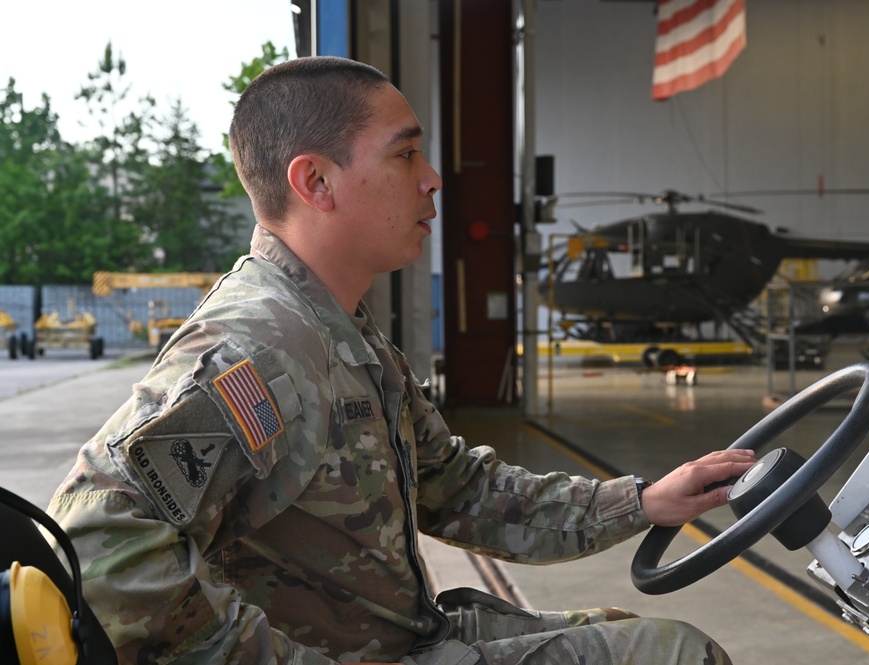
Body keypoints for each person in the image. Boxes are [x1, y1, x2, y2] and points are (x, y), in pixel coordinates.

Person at [48, 56, 756, 665]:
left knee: (633, 637)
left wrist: (639, 501)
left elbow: (457, 489)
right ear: (316, 183)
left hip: (411, 636)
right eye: (404, 154)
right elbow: (99, 534)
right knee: (674, 653)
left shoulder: (339, 332)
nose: (433, 179)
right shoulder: (257, 349)